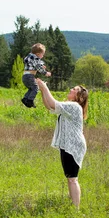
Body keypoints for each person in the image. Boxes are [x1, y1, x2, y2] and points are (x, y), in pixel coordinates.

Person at [36, 78, 89, 208]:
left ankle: (76, 209)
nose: (71, 89)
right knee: (70, 177)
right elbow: (49, 106)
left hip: (73, 146)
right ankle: (73, 205)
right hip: (67, 145)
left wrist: (44, 87)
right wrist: (43, 90)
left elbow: (53, 103)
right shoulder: (69, 106)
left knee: (72, 179)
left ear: (79, 97)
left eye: (74, 89)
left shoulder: (74, 106)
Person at [21, 43, 51, 108]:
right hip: (30, 76)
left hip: (24, 76)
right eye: (42, 54)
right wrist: (45, 73)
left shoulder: (29, 57)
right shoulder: (35, 58)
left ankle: (25, 99)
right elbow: (38, 67)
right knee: (36, 88)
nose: (42, 56)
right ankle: (30, 101)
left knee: (31, 88)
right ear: (37, 54)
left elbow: (33, 65)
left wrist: (41, 66)